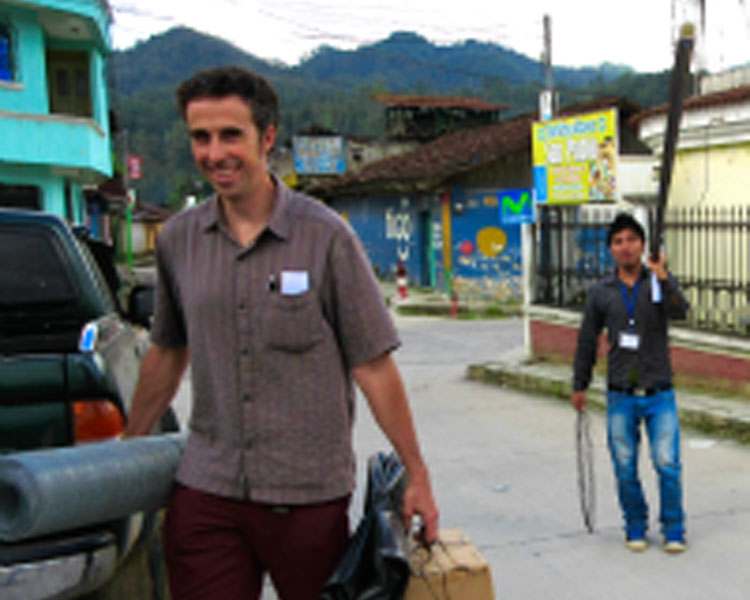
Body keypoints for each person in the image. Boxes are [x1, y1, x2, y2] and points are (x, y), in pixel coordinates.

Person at [123, 65, 439, 600]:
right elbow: (168, 352)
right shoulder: (179, 240)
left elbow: (372, 364)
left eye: (231, 135)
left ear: (267, 138)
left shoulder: (326, 238)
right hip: (208, 487)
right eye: (201, 137)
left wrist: (417, 473)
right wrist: (127, 447)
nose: (215, 152)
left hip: (308, 495)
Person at [571, 212, 688, 554]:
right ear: (611, 249)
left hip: (659, 392)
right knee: (624, 466)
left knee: (667, 463)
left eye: (632, 240)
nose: (626, 247)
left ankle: (673, 527)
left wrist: (664, 276)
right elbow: (587, 338)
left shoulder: (658, 281)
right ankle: (635, 524)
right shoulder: (601, 293)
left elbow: (680, 311)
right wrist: (580, 384)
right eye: (619, 241)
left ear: (642, 245)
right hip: (620, 394)